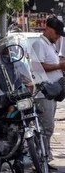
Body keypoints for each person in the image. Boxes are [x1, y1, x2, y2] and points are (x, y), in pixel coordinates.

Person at [31, 16, 65, 169]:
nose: (58, 37)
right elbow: (38, 66)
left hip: (52, 92)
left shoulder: (50, 45)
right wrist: (59, 66)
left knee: (48, 127)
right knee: (46, 127)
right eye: (57, 33)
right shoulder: (39, 44)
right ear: (49, 29)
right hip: (43, 93)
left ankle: (45, 157)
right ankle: (40, 159)